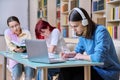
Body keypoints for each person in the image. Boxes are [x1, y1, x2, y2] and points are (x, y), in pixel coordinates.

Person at [60, 7, 120, 80]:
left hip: (106, 73)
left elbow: (99, 58)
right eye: (72, 27)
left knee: (78, 76)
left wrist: (81, 56)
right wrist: (69, 54)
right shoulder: (83, 34)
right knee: (65, 69)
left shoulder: (101, 31)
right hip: (93, 69)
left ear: (85, 22)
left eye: (76, 26)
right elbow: (77, 51)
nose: (74, 30)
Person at [4, 16, 35, 80]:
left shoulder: (26, 33)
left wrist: (24, 49)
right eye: (12, 27)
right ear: (9, 28)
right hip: (15, 58)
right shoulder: (8, 33)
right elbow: (10, 46)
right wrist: (16, 49)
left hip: (27, 57)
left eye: (16, 25)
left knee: (29, 74)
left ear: (19, 24)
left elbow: (31, 46)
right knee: (16, 74)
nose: (15, 28)